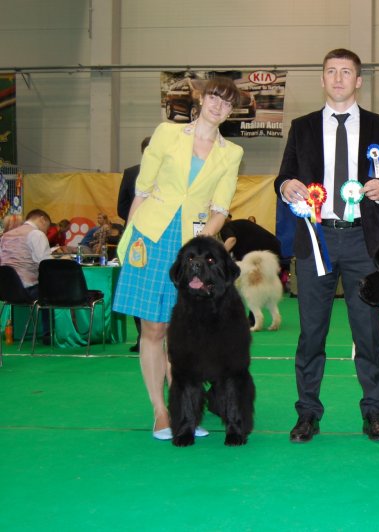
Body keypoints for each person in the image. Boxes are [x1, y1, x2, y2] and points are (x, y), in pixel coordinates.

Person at [275, 48, 379, 443]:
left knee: (367, 335)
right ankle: (307, 415)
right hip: (314, 238)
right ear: (321, 78)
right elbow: (282, 177)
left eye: (346, 72)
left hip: (361, 243)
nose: (337, 78)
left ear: (359, 80)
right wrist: (287, 187)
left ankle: (374, 414)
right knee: (311, 334)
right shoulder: (301, 127)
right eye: (330, 71)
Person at [112, 77, 244, 441]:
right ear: (201, 98)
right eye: (215, 97)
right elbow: (142, 190)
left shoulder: (231, 153)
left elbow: (219, 208)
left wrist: (201, 244)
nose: (219, 106)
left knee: (184, 334)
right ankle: (160, 411)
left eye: (228, 103)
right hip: (151, 237)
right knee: (154, 329)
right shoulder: (166, 134)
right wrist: (127, 243)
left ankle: (186, 409)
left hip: (192, 249)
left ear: (232, 112)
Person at [117, 136, 151, 353]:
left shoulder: (131, 172)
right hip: (143, 239)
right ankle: (145, 337)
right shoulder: (132, 173)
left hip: (149, 238)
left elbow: (121, 208)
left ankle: (150, 337)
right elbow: (121, 207)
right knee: (141, 287)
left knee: (142, 287)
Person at [0, 209, 54, 343]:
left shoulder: (5, 236)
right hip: (27, 289)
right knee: (52, 290)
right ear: (42, 219)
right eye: (47, 227)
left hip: (5, 290)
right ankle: (49, 334)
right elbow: (46, 264)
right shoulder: (36, 234)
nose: (46, 232)